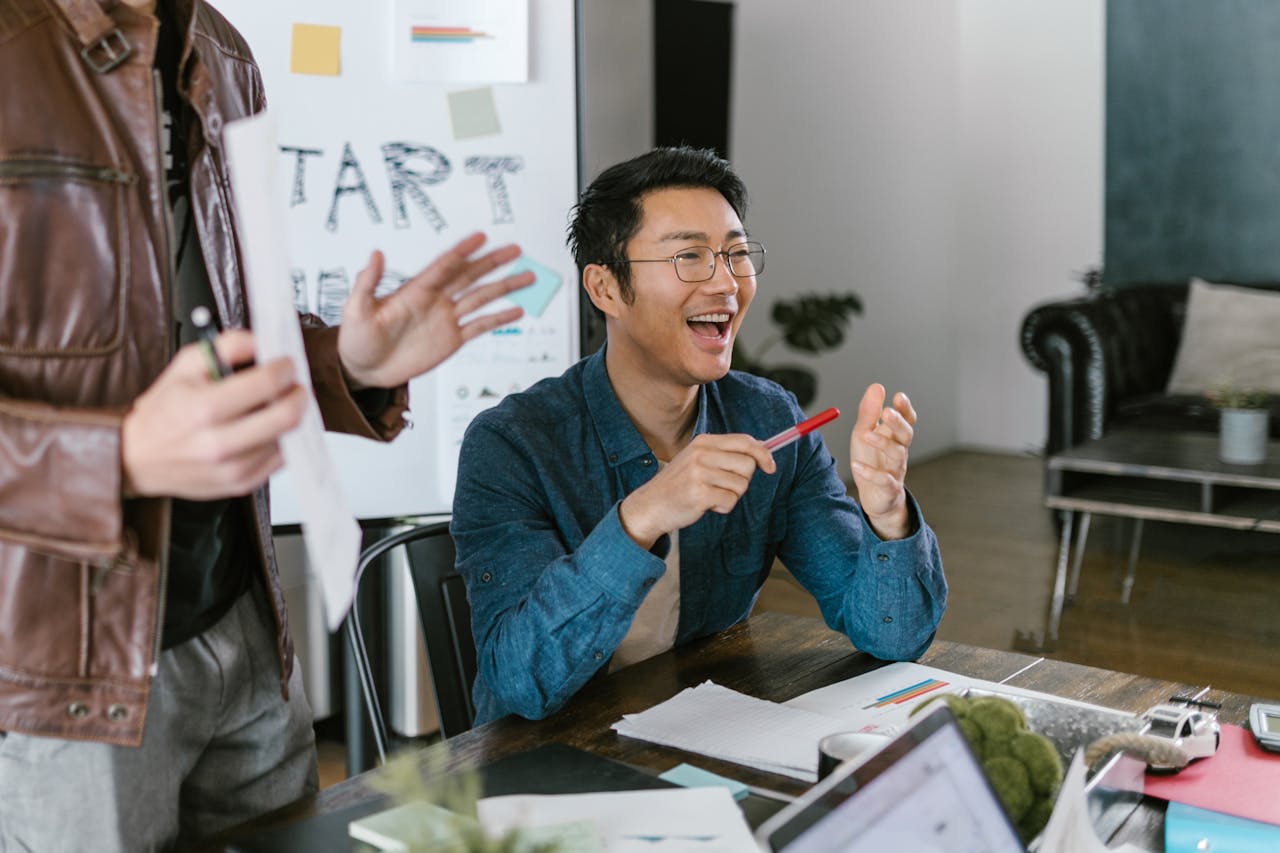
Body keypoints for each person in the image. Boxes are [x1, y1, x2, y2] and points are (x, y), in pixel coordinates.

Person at [0, 1, 531, 849]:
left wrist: (348, 362)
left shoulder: (220, 46)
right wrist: (122, 454)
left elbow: (221, 323)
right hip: (66, 665)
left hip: (242, 621)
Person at [452, 146, 948, 726]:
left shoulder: (767, 418)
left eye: (735, 254)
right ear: (605, 288)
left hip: (700, 728)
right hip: (542, 764)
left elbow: (893, 637)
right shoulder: (512, 444)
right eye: (688, 256)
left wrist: (888, 515)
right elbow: (520, 682)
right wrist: (644, 516)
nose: (726, 284)